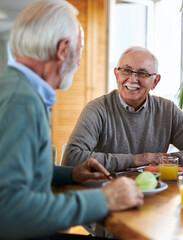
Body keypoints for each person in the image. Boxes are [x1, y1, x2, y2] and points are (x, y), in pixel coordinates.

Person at [0, 1, 143, 239]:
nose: (78, 61)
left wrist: (70, 174)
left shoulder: (16, 87)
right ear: (63, 49)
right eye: (80, 49)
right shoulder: (21, 102)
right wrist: (104, 199)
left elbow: (20, 173)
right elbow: (9, 211)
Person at [62, 46, 183, 171]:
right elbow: (71, 158)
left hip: (157, 192)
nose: (132, 79)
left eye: (142, 73)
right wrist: (139, 159)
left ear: (155, 81)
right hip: (108, 192)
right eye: (126, 70)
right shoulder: (97, 109)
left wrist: (163, 160)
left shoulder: (167, 110)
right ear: (117, 74)